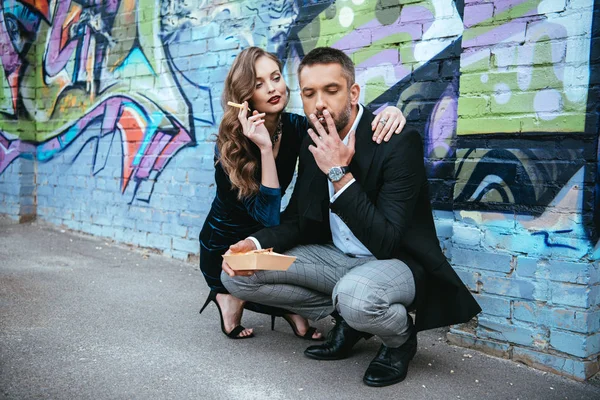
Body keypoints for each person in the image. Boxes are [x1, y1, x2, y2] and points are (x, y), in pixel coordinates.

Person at [221, 47, 481, 386]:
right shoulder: (312, 140)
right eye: (310, 93)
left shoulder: (396, 140)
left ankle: (399, 341)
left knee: (356, 295)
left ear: (353, 92)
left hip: (396, 265)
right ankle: (351, 319)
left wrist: (339, 173)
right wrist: (253, 244)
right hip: (337, 261)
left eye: (331, 90)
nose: (320, 104)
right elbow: (301, 220)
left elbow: (386, 240)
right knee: (240, 272)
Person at [199, 47, 407, 340]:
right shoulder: (230, 145)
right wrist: (264, 149)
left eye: (276, 77)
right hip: (228, 237)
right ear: (245, 96)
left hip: (274, 233)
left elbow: (342, 119)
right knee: (235, 282)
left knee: (282, 264)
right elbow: (267, 215)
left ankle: (293, 307)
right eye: (259, 84)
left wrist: (389, 112)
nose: (272, 88)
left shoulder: (297, 127)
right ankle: (227, 298)